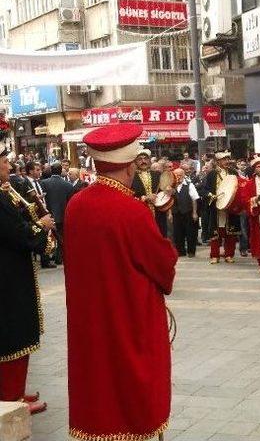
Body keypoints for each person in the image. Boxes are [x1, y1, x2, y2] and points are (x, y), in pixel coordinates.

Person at [64, 124, 177, 440]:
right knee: (132, 385)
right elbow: (162, 264)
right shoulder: (131, 210)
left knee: (97, 380)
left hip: (89, 318)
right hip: (129, 315)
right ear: (129, 165)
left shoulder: (76, 205)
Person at [0, 143, 53, 415]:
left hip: (11, 274)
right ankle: (12, 398)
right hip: (7, 278)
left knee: (18, 331)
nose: (8, 167)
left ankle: (16, 390)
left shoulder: (4, 194)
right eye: (4, 162)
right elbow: (18, 233)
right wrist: (41, 226)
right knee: (15, 334)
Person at [204, 150, 242, 264]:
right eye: (224, 159)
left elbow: (238, 188)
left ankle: (229, 254)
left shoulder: (233, 172)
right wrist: (211, 195)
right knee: (216, 232)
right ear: (218, 161)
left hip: (230, 207)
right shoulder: (212, 174)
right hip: (216, 207)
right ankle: (214, 255)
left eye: (227, 159)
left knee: (230, 233)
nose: (226, 161)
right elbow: (205, 190)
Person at [40, 162, 74, 265]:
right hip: (62, 215)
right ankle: (59, 257)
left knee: (46, 237)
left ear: (51, 170)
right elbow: (70, 202)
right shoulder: (68, 185)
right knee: (60, 238)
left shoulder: (44, 183)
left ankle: (46, 259)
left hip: (47, 215)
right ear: (61, 171)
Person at [131, 149, 169, 237]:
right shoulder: (131, 177)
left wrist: (169, 190)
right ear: (135, 161)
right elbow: (127, 195)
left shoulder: (158, 175)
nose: (143, 161)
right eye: (140, 159)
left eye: (145, 159)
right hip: (140, 214)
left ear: (149, 160)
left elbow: (165, 192)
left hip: (159, 214)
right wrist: (145, 198)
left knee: (160, 236)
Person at [172, 168, 200, 258]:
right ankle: (180, 251)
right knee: (177, 233)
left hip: (188, 212)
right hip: (176, 213)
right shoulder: (171, 186)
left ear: (184, 175)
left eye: (180, 175)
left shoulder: (189, 185)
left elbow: (194, 199)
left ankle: (191, 251)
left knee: (190, 233)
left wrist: (195, 213)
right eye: (176, 175)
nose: (178, 177)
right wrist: (169, 214)